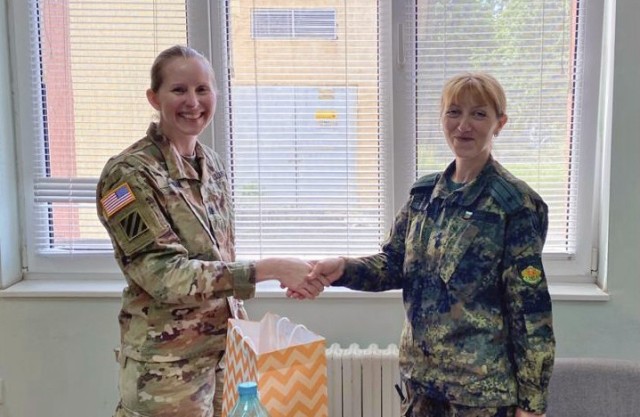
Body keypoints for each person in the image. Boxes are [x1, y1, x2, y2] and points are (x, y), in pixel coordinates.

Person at [299, 72, 555, 417]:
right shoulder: (425, 195)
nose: (464, 125)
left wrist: (532, 404)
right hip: (421, 385)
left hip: (481, 395)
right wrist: (343, 268)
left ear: (500, 123)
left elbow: (530, 311)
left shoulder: (516, 205)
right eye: (454, 112)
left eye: (478, 114)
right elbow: (392, 265)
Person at [96, 45, 322, 417]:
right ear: (154, 98)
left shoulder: (211, 164)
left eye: (203, 89)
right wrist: (268, 270)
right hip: (169, 373)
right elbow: (165, 276)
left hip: (227, 358)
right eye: (179, 90)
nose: (193, 102)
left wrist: (292, 274)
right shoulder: (128, 175)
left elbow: (218, 260)